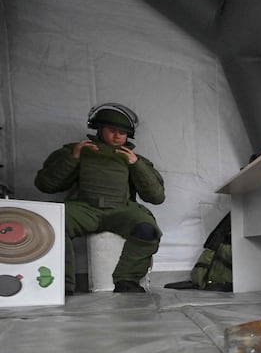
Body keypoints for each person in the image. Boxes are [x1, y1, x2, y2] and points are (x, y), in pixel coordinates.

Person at [35, 103, 165, 294]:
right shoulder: (77, 150)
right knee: (52, 223)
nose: (118, 136)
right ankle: (61, 285)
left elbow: (156, 196)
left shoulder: (135, 159)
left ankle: (127, 281)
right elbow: (46, 184)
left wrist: (137, 166)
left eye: (123, 132)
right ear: (99, 129)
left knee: (147, 230)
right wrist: (73, 157)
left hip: (121, 210)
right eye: (112, 130)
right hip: (85, 208)